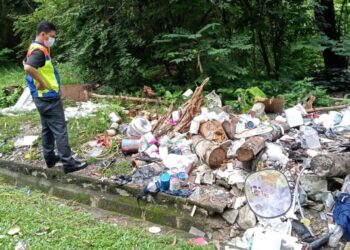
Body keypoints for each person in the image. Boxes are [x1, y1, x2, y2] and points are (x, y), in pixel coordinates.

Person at [23, 21, 87, 174]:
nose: (52, 40)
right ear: (43, 34)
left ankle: (50, 158)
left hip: (40, 97)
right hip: (48, 97)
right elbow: (28, 67)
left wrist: (40, 82)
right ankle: (68, 163)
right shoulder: (39, 51)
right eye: (51, 36)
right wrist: (42, 82)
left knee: (47, 129)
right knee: (60, 129)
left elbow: (27, 64)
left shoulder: (36, 47)